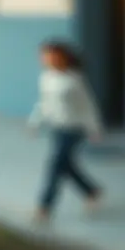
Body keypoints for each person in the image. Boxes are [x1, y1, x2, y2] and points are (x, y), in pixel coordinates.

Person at [28, 40, 103, 224]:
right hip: (57, 128)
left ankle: (44, 207)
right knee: (66, 165)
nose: (47, 59)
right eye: (45, 56)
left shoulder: (74, 79)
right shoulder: (46, 78)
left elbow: (87, 105)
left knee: (55, 166)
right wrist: (35, 122)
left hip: (74, 129)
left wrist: (94, 128)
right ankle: (91, 190)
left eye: (52, 55)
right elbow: (44, 104)